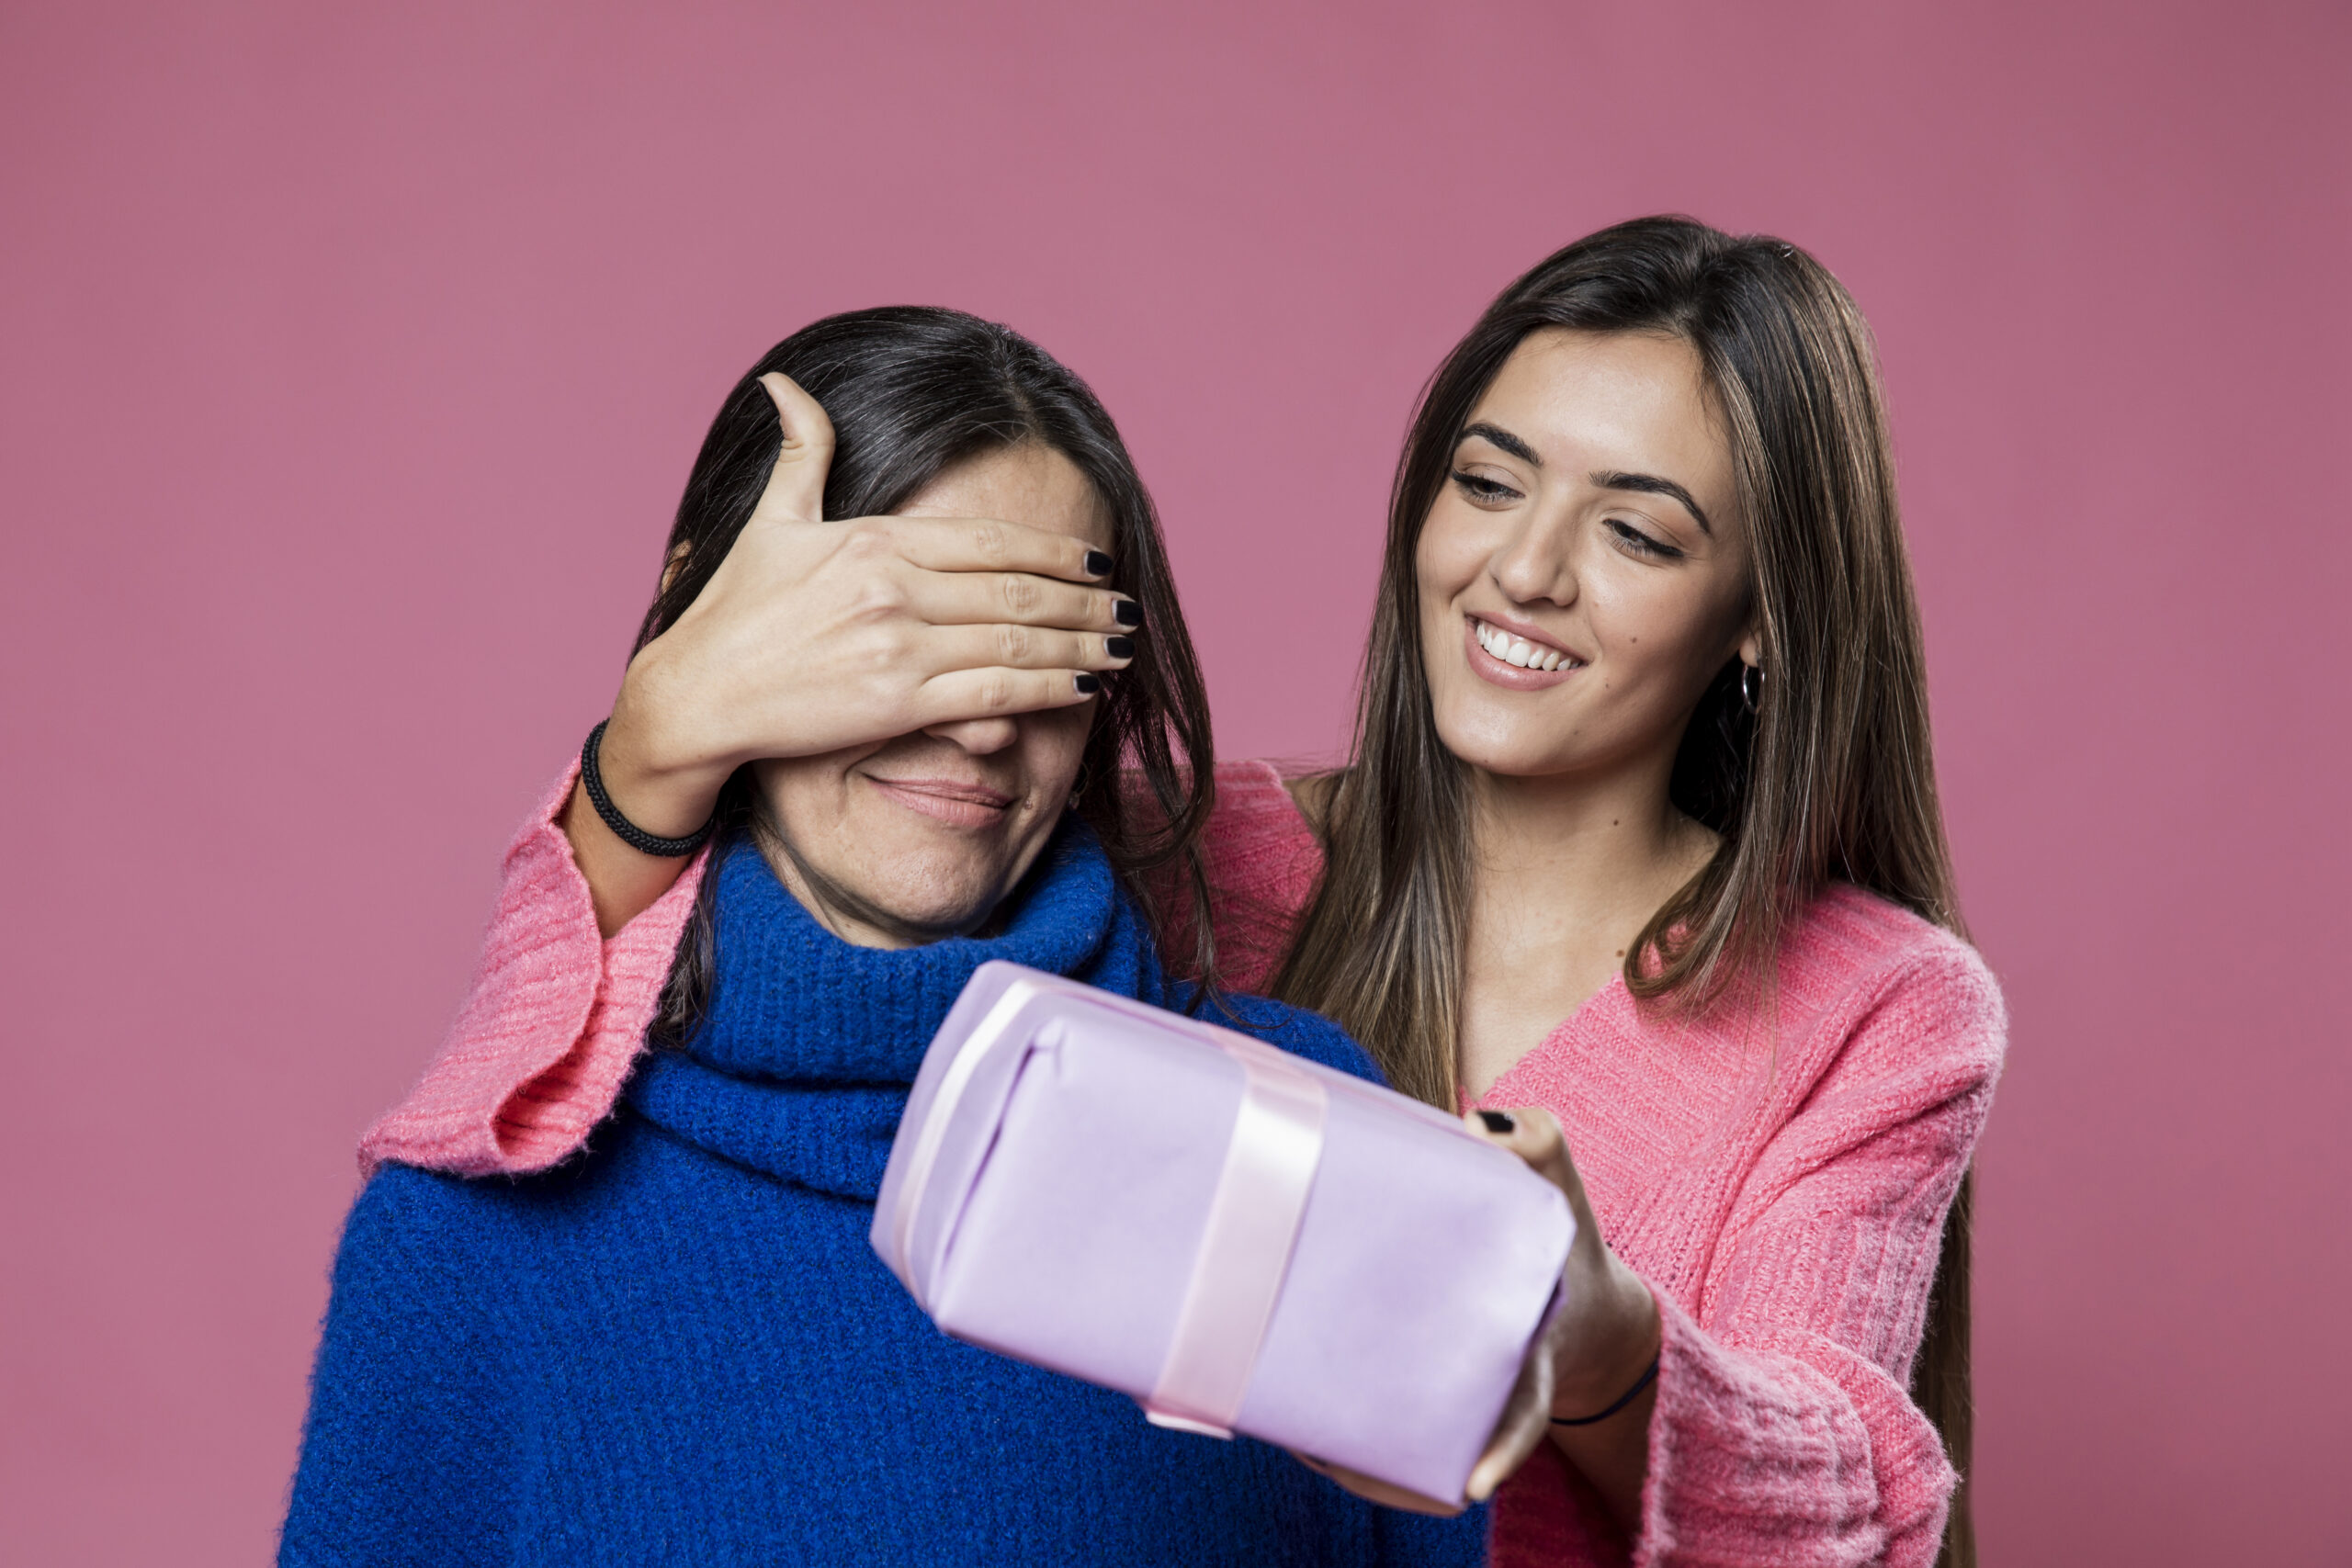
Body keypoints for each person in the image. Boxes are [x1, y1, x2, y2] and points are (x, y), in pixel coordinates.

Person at [358, 218, 2005, 1567]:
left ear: (1762, 617)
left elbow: (1856, 1505)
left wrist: (1594, 1336)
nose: (1525, 569)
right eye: (1490, 484)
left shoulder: (1879, 1007)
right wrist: (665, 739)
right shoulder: (1172, 842)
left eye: (1638, 532)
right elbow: (676, 976)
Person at [280, 307, 1488, 1567]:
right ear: (715, 642)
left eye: (1045, 650)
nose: (978, 725)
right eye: (902, 641)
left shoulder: (1302, 1130)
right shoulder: (465, 1243)